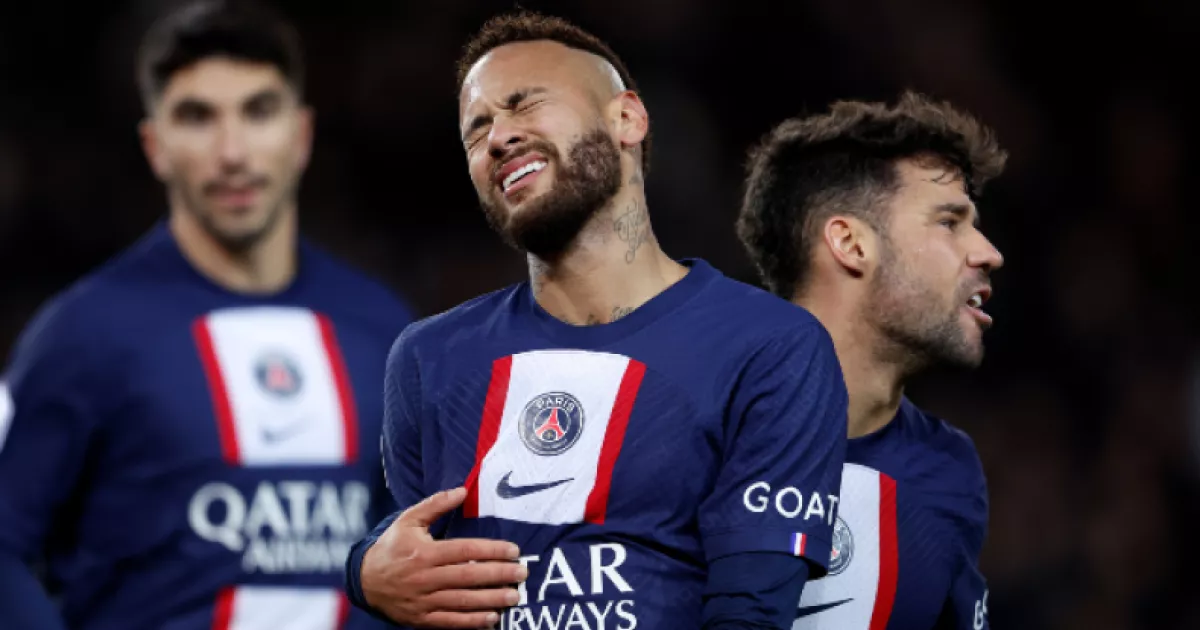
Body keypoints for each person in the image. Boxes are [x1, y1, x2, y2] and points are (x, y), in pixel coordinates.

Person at [344, 10, 849, 630]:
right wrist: (363, 570)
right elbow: (403, 561)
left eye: (525, 104)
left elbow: (750, 612)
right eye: (477, 131)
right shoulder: (429, 358)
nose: (498, 137)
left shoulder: (769, 346)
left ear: (627, 119)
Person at [0, 2, 411, 628]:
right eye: (197, 117)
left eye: (258, 111)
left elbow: (413, 547)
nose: (232, 152)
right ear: (155, 146)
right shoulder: (82, 334)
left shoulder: (382, 330)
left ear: (301, 135)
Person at [736, 91, 1004, 629]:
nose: (989, 253)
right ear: (851, 244)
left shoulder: (948, 471)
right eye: (949, 222)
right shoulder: (697, 428)